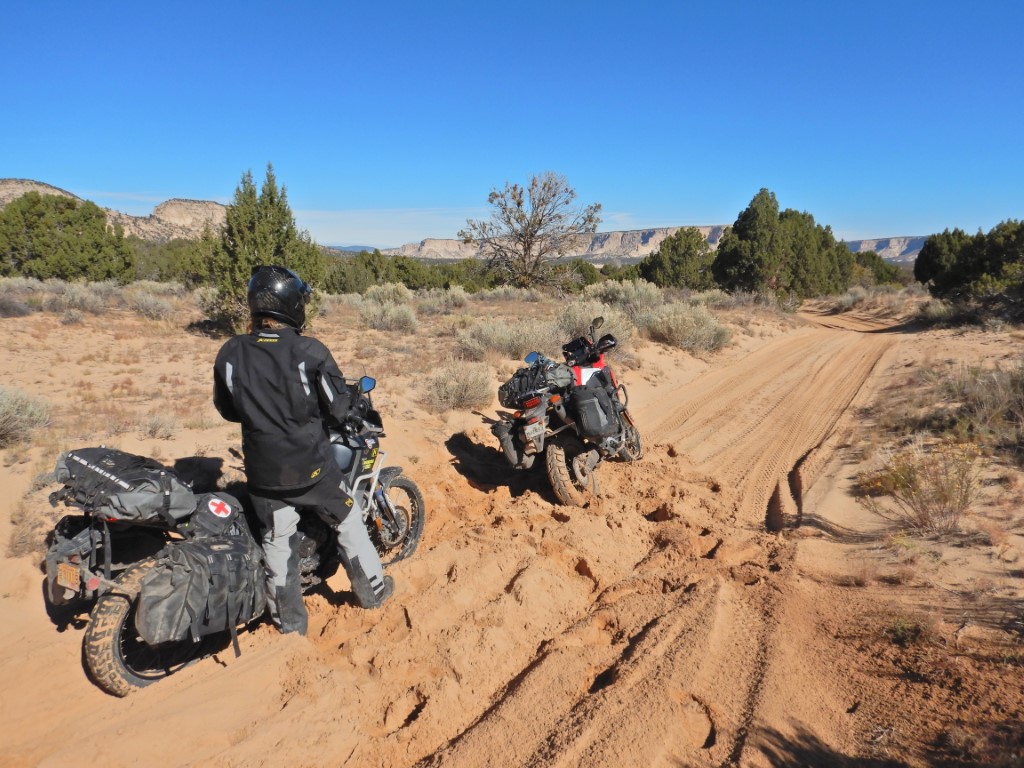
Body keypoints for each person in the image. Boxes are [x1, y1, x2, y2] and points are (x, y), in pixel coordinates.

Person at [213, 265, 393, 635]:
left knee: (278, 541)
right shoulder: (310, 351)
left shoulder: (230, 352)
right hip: (311, 469)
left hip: (263, 473)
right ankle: (373, 592)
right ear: (293, 305)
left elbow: (228, 409)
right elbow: (339, 408)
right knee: (347, 519)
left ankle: (290, 625)